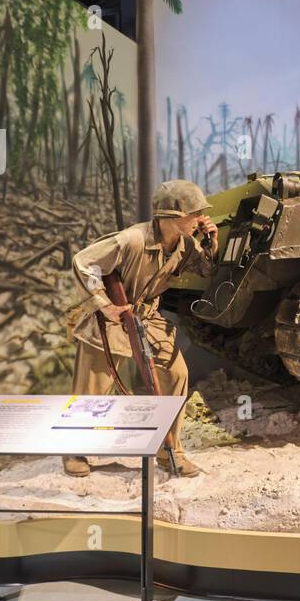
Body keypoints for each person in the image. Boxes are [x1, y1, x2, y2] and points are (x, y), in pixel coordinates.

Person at [62, 180, 218, 477]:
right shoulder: (131, 239)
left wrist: (212, 242)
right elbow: (83, 261)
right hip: (109, 320)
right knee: (92, 387)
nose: (200, 218)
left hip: (146, 316)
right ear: (171, 216)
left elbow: (205, 271)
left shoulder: (185, 245)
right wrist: (104, 305)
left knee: (175, 374)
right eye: (194, 213)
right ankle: (74, 450)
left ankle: (169, 449)